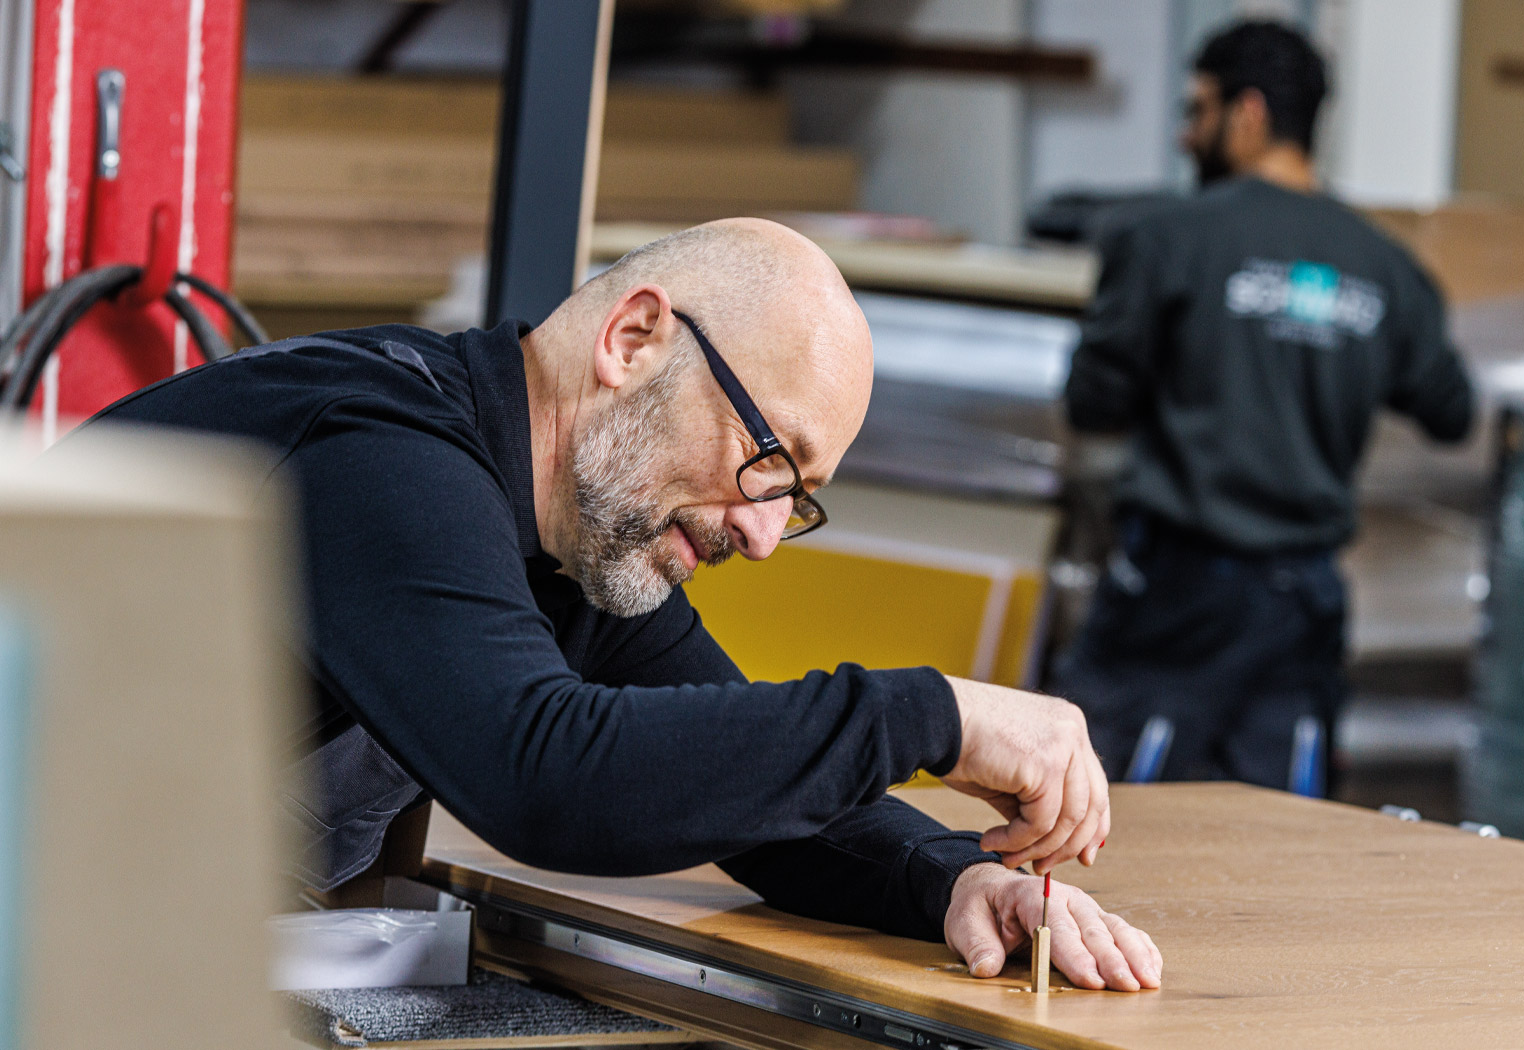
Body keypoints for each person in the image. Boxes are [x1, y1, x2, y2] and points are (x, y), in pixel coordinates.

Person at [72, 218, 1160, 992]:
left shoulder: (577, 542)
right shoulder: (382, 450)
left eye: (797, 503)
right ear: (634, 340)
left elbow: (748, 802)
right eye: (767, 462)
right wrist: (934, 716)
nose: (764, 534)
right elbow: (546, 775)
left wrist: (952, 879)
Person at [1049, 21, 1475, 789]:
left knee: (1097, 820)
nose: (1187, 136)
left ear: (1247, 114)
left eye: (1198, 111)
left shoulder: (1165, 238)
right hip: (1302, 603)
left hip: (1175, 597)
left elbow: (1092, 401)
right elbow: (1450, 412)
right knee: (1281, 836)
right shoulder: (1385, 268)